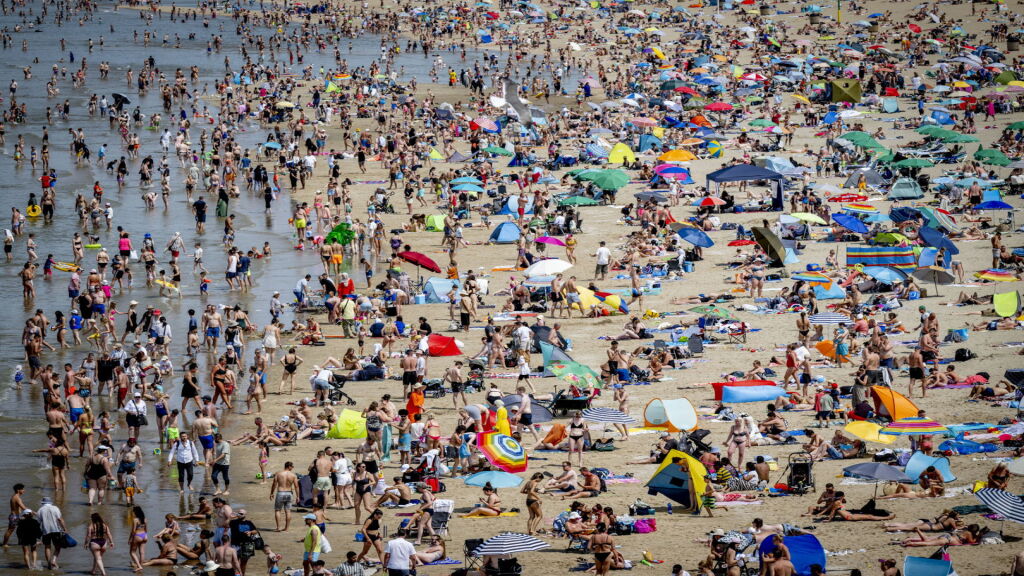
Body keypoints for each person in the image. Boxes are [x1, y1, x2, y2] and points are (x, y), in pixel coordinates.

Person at [37, 497, 66, 570]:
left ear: (43, 503)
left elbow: (38, 523)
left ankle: (49, 564)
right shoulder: (55, 508)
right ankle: (54, 560)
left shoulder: (40, 510)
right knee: (58, 547)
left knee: (47, 547)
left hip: (45, 531)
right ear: (50, 502)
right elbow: (60, 519)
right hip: (56, 530)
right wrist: (65, 529)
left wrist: (38, 535)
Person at [270, 461, 300, 531]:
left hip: (280, 493)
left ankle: (278, 527)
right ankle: (286, 528)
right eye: (292, 466)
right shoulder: (293, 475)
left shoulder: (278, 473)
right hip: (289, 493)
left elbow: (274, 484)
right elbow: (296, 486)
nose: (293, 468)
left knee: (278, 510)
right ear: (289, 466)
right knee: (288, 511)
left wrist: (271, 493)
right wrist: (298, 496)